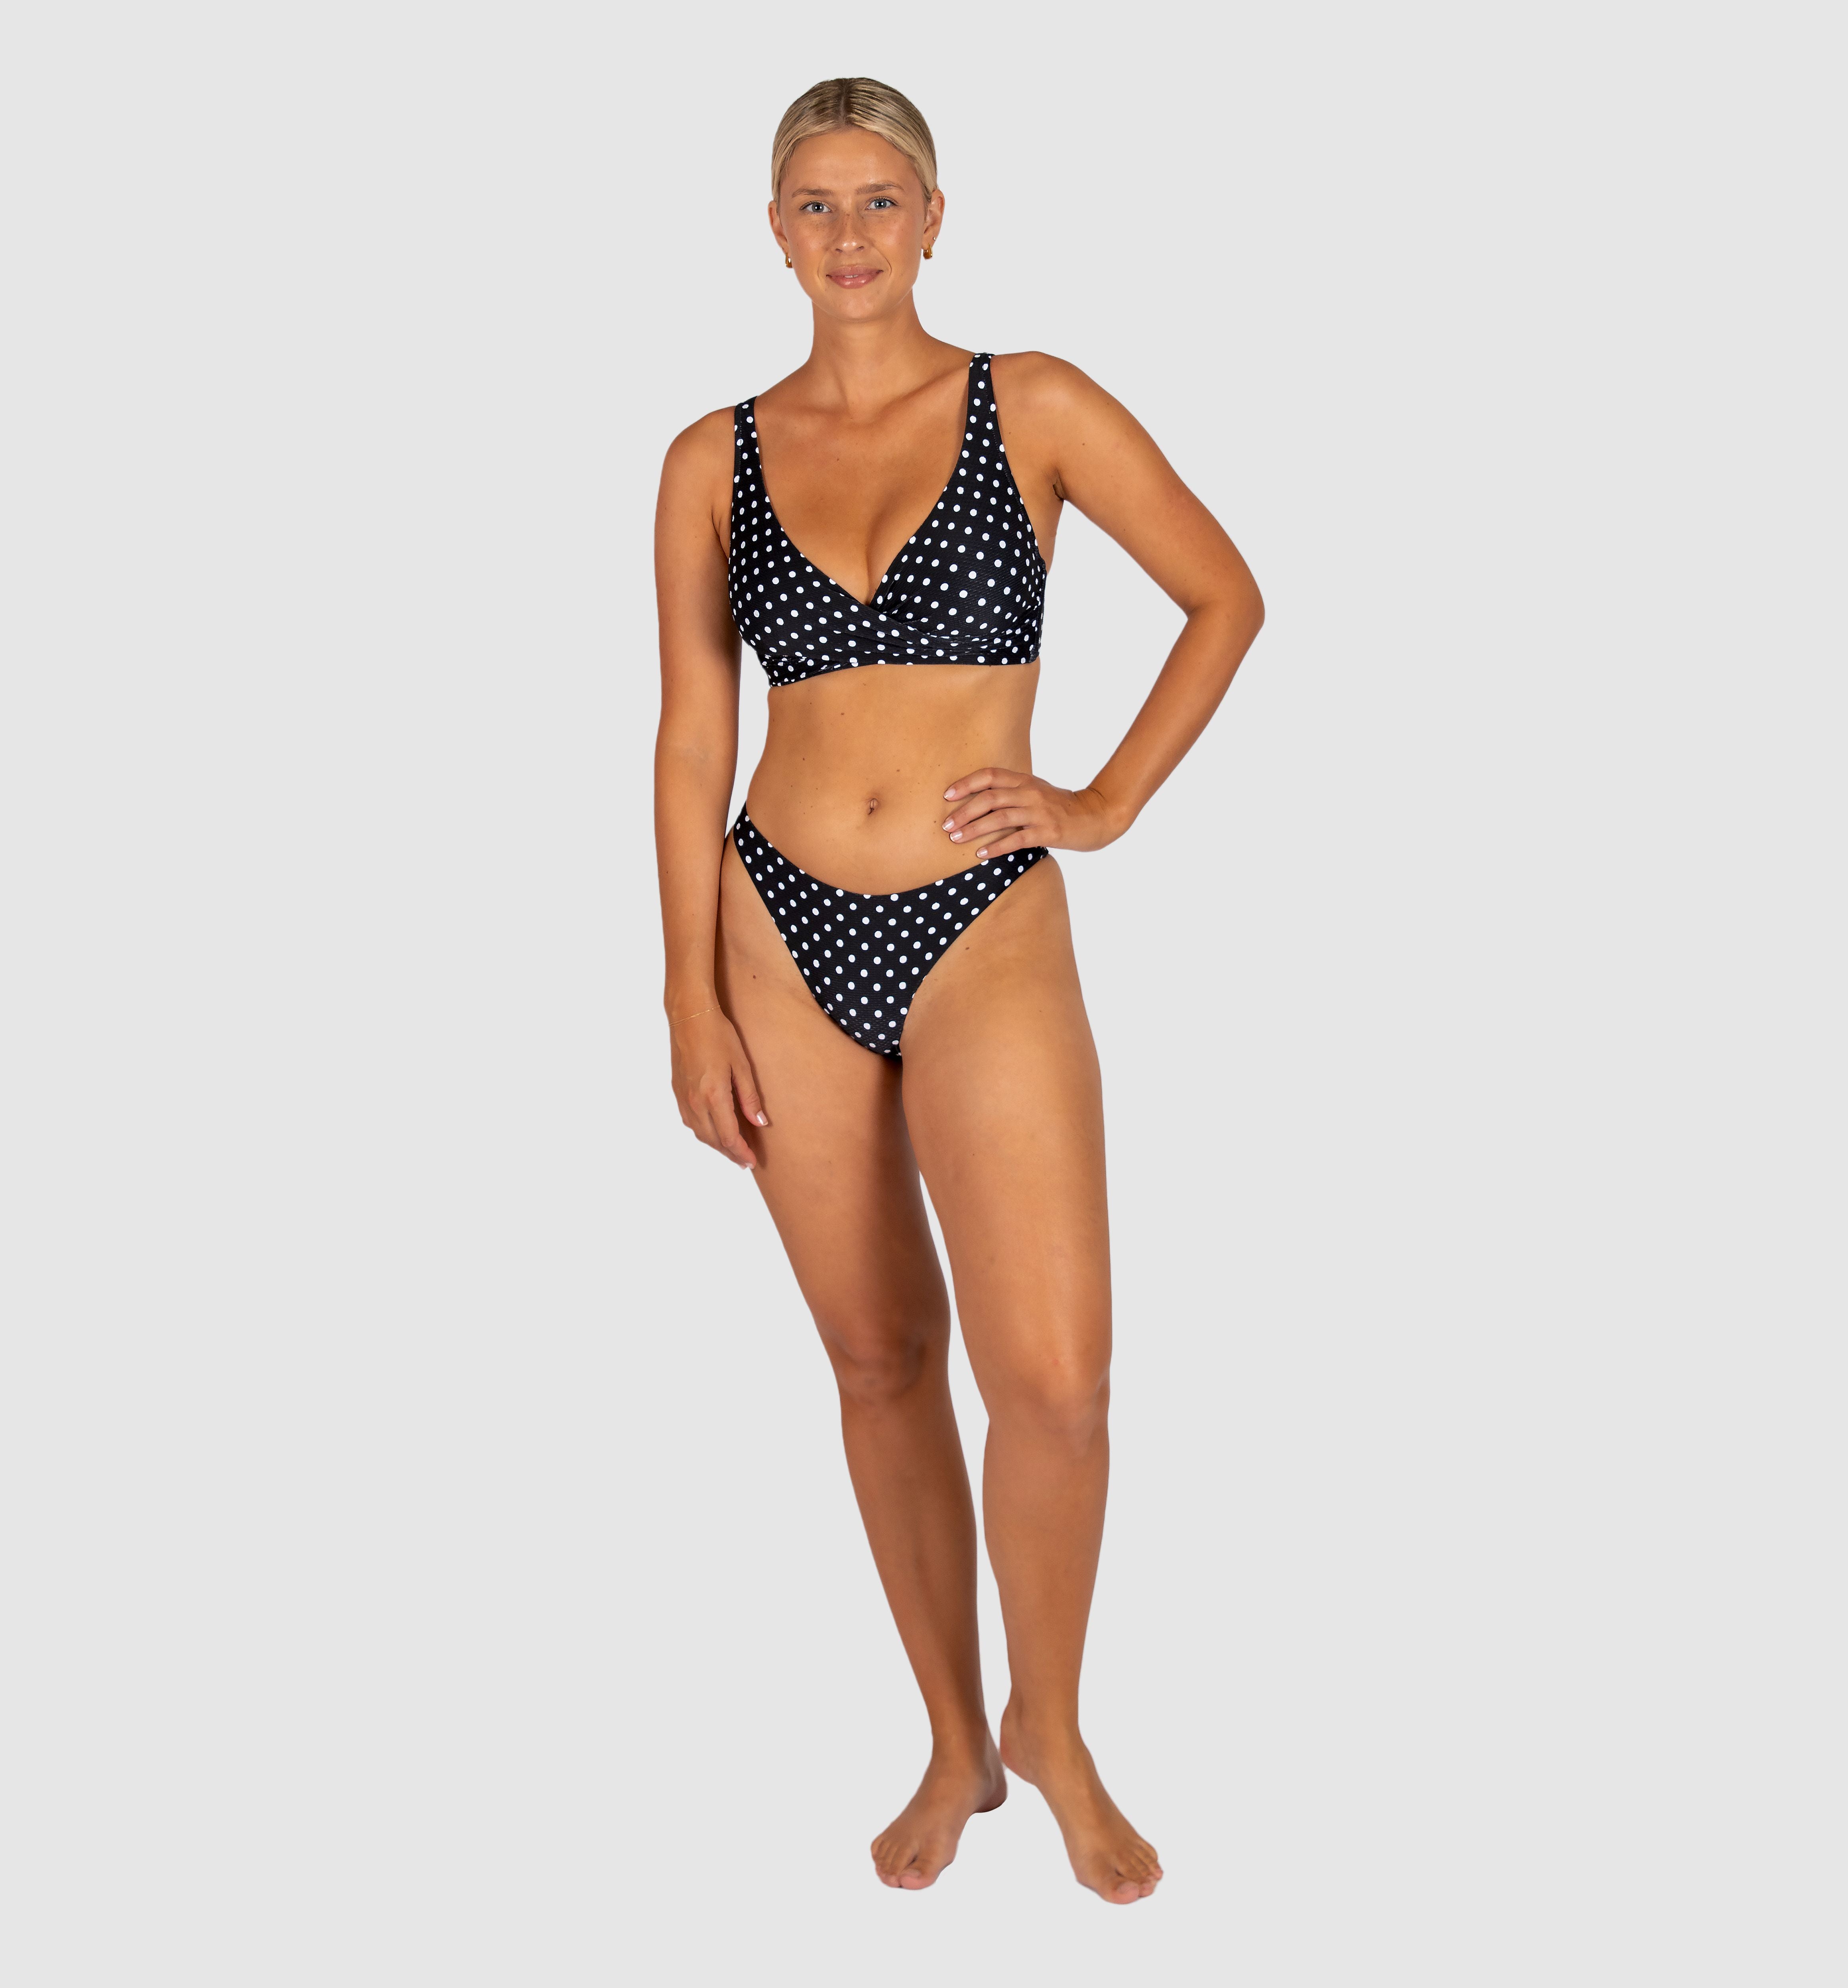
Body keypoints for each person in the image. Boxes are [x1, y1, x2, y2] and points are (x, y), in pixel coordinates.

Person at [652, 76, 1263, 1903]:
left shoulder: (1032, 404)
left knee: (1054, 1379)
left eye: (879, 199)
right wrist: (685, 997)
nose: (847, 233)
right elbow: (689, 738)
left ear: (933, 219)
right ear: (773, 231)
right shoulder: (710, 459)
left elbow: (1223, 595)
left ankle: (1052, 1724)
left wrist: (1100, 800)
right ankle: (952, 1737)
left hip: (983, 916)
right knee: (875, 1356)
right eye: (814, 202)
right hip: (775, 931)